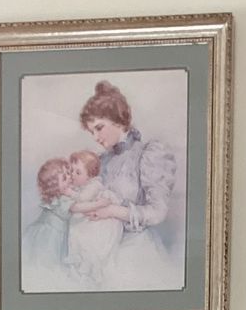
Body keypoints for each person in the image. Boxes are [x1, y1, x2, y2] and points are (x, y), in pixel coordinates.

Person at [78, 80, 180, 291]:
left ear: (117, 120)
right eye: (91, 132)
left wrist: (112, 211)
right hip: (102, 248)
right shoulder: (101, 161)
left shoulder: (148, 153)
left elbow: (157, 212)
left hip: (135, 252)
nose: (96, 138)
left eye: (99, 128)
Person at [65, 150, 123, 288]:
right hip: (90, 214)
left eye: (78, 172)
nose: (73, 175)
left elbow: (83, 198)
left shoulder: (94, 185)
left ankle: (92, 270)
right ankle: (83, 267)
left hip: (102, 220)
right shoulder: (82, 184)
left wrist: (70, 192)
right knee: (77, 232)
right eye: (71, 171)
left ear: (90, 175)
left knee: (88, 240)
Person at [20, 157, 73, 291]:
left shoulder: (63, 196)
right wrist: (99, 204)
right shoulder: (60, 201)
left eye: (69, 173)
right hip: (49, 235)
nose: (70, 178)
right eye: (64, 178)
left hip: (54, 232)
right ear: (54, 186)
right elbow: (79, 208)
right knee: (47, 265)